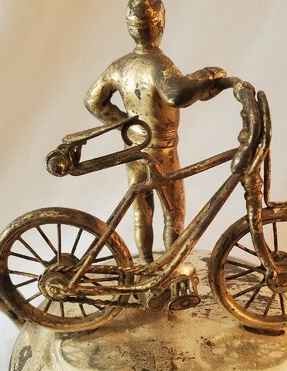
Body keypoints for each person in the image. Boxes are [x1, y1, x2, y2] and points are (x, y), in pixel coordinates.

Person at [85, 0, 227, 263]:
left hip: (133, 148)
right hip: (162, 152)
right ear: (160, 24)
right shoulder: (158, 64)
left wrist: (125, 124)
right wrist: (208, 74)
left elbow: (93, 101)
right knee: (173, 214)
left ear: (130, 27)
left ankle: (146, 263)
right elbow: (177, 94)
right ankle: (170, 269)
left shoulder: (121, 66)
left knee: (141, 213)